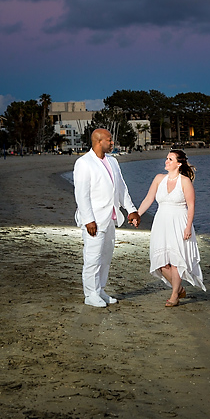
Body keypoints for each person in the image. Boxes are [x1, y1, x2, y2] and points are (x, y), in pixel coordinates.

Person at [73, 128, 140, 307]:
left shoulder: (112, 161)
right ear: (98, 141)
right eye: (109, 140)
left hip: (110, 218)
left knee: (106, 256)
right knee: (93, 257)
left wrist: (131, 209)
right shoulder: (84, 163)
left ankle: (100, 290)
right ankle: (90, 294)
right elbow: (81, 194)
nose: (112, 143)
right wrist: (88, 219)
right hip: (94, 219)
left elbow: (121, 188)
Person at [136, 149, 205, 307]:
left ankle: (174, 295)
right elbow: (149, 198)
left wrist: (188, 227)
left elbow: (191, 205)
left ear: (179, 164)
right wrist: (137, 214)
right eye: (167, 158)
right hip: (161, 223)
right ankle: (179, 288)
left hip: (179, 223)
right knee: (161, 263)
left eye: (170, 159)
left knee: (175, 261)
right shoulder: (159, 179)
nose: (166, 161)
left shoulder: (184, 181)